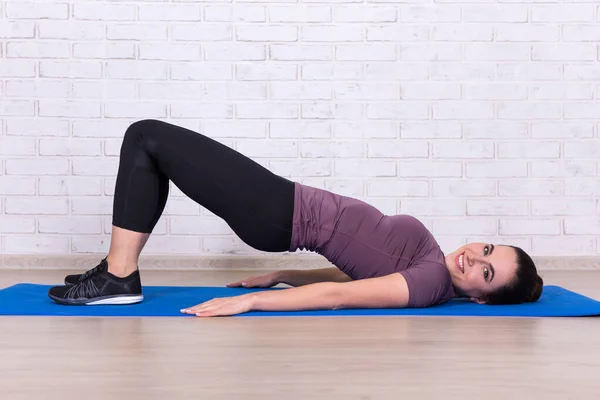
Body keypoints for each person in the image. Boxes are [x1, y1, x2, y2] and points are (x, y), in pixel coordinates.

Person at [48, 119, 544, 316]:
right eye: (486, 250)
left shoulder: (430, 285)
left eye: (485, 272)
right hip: (283, 202)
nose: (473, 258)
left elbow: (342, 295)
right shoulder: (430, 264)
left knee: (146, 137)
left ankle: (119, 276)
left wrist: (252, 305)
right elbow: (363, 269)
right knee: (150, 147)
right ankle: (117, 271)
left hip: (279, 212)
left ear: (483, 297)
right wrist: (284, 275)